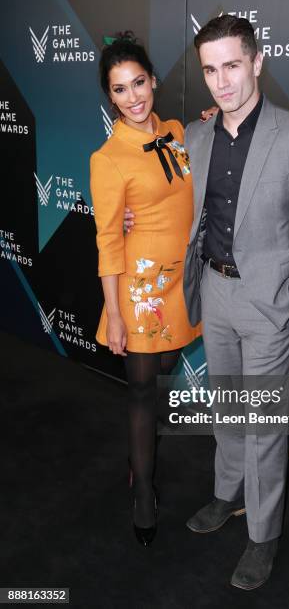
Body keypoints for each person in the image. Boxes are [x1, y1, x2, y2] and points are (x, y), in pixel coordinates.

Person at [125, 14, 289, 590]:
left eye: (232, 66)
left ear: (257, 62)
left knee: (264, 425)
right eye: (211, 69)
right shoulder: (193, 137)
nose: (222, 82)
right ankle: (227, 495)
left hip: (270, 304)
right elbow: (166, 204)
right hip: (212, 293)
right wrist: (130, 216)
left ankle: (263, 536)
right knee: (228, 412)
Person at [90, 32, 201, 547]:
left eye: (138, 83)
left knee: (163, 371)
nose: (133, 97)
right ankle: (143, 493)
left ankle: (141, 457)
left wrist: (203, 127)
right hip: (139, 289)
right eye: (119, 90)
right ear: (108, 97)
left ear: (153, 81)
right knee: (140, 389)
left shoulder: (179, 131)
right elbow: (109, 240)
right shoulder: (108, 158)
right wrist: (114, 315)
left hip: (182, 280)